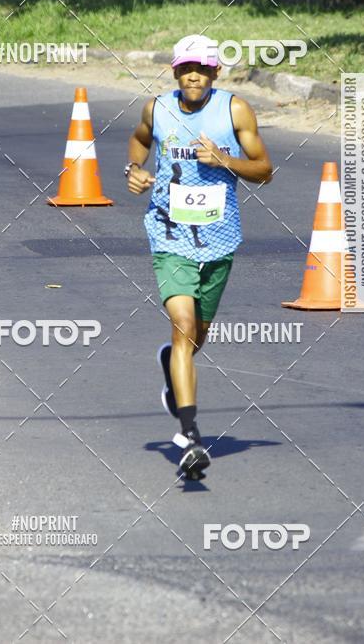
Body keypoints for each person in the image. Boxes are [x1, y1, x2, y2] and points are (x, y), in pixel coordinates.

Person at [125, 34, 273, 478]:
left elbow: (265, 170)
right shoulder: (158, 108)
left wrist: (225, 160)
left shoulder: (235, 110)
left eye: (203, 69)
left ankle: (173, 365)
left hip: (220, 239)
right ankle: (190, 435)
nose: (194, 75)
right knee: (183, 326)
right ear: (175, 72)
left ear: (215, 74)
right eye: (186, 69)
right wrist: (134, 171)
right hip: (169, 237)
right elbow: (139, 140)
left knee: (194, 340)